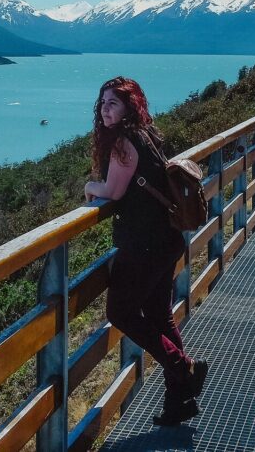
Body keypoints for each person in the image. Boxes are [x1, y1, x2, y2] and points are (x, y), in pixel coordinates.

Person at [83, 77, 208, 426]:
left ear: (128, 108)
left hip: (144, 244)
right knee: (158, 316)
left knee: (121, 312)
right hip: (165, 239)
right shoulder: (147, 133)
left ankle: (183, 368)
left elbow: (113, 190)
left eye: (113, 103)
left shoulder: (123, 142)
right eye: (103, 102)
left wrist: (89, 186)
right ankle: (178, 401)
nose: (105, 109)